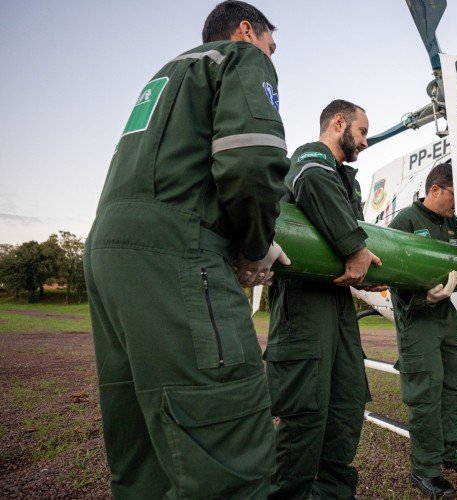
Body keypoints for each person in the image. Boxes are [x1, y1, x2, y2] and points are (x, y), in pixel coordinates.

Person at [83, 2, 290, 497]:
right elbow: (252, 159)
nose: (271, 56)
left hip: (107, 253)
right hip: (177, 251)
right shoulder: (239, 59)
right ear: (246, 30)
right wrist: (255, 244)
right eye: (271, 45)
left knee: (143, 455)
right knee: (227, 450)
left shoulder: (163, 78)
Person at [266, 99, 380, 499]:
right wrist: (353, 246)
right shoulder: (311, 159)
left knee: (346, 407)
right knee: (307, 415)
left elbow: (361, 248)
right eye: (362, 131)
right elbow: (313, 185)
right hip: (304, 304)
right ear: (338, 123)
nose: (365, 142)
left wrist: (370, 273)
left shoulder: (348, 181)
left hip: (338, 305)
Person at [389, 163, 457, 499]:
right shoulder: (405, 221)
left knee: (453, 384)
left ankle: (449, 452)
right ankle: (425, 468)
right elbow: (390, 271)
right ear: (435, 190)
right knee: (426, 392)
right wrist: (422, 297)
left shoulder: (450, 225)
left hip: (446, 319)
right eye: (453, 197)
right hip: (417, 319)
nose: (456, 207)